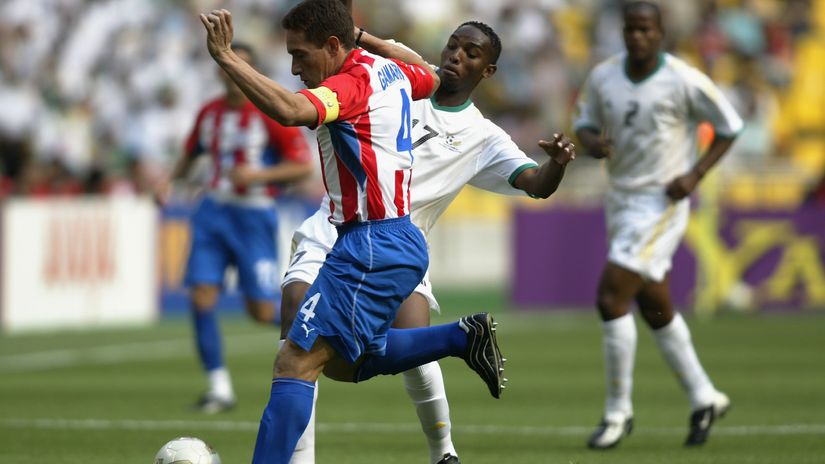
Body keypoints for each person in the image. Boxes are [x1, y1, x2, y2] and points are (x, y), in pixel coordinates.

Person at [200, 2, 509, 462]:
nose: (294, 67)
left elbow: (288, 111)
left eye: (301, 55)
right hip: (386, 239)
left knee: (295, 360)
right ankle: (459, 338)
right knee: (345, 364)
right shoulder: (393, 72)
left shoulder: (350, 85)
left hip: (371, 243)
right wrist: (363, 35)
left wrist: (227, 58)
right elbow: (429, 75)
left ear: (331, 46)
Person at [281, 22, 576, 464]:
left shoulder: (483, 137)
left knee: (414, 346)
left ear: (488, 70)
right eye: (453, 45)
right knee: (297, 335)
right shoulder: (401, 79)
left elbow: (536, 184)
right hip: (334, 226)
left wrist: (555, 163)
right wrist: (356, 33)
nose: (457, 55)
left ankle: (444, 453)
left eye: (471, 53)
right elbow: (378, 53)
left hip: (397, 244)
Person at [572, 1, 743, 449]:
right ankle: (704, 395)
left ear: (661, 33)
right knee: (654, 305)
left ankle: (617, 412)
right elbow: (584, 125)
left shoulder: (684, 79)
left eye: (646, 29)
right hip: (621, 198)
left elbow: (730, 126)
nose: (637, 37)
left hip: (662, 200)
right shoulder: (604, 75)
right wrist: (594, 144)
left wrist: (695, 174)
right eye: (631, 29)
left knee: (611, 296)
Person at [155, 43, 314, 413]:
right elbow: (191, 152)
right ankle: (219, 387)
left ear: (253, 72)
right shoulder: (209, 113)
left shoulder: (271, 112)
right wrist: (168, 183)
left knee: (261, 311)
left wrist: (257, 176)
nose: (232, 75)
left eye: (241, 68)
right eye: (227, 67)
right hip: (211, 212)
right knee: (200, 298)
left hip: (253, 215)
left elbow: (301, 167)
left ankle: (318, 323)